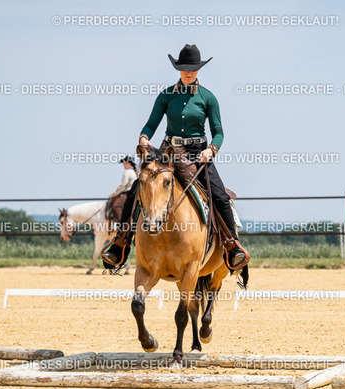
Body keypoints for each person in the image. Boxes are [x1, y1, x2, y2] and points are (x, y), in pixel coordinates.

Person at [102, 44, 248, 270]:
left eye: (193, 68)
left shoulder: (208, 98)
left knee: (220, 196)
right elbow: (151, 124)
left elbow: (218, 132)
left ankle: (232, 245)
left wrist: (211, 149)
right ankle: (120, 242)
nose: (189, 72)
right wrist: (144, 137)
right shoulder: (166, 96)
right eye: (184, 68)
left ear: (199, 69)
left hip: (198, 155)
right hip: (167, 153)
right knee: (135, 190)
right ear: (178, 69)